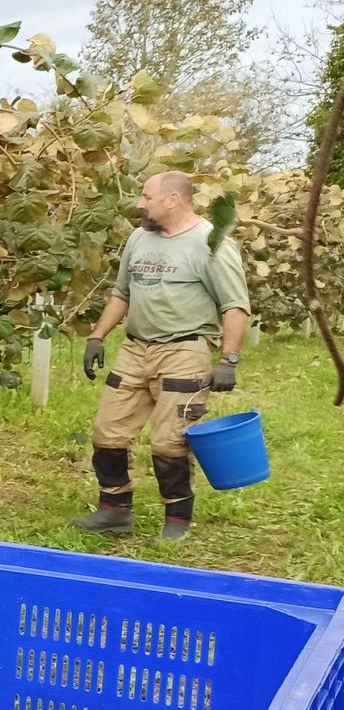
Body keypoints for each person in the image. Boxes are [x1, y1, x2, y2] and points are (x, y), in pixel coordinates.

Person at [72, 170, 249, 541]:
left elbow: (235, 306)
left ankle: (177, 521)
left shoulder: (211, 244)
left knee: (170, 441)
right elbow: (123, 293)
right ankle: (114, 510)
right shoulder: (139, 238)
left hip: (184, 350)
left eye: (146, 196)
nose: (139, 203)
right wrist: (97, 335)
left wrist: (228, 360)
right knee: (107, 433)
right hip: (136, 349)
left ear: (173, 200)